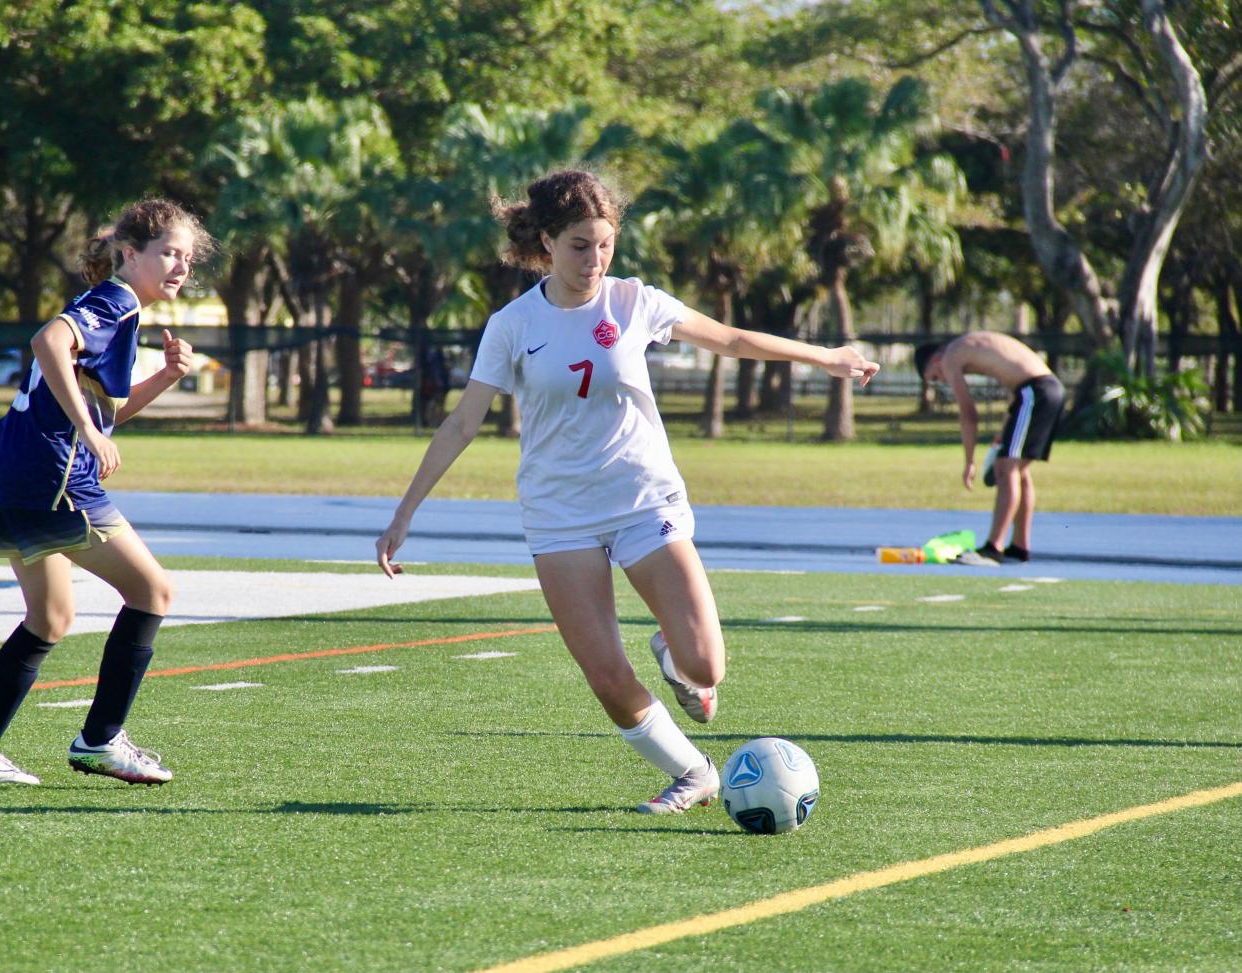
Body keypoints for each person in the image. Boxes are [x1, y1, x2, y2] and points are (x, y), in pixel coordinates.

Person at [374, 170, 878, 814]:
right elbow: (462, 421)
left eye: (605, 244)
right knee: (607, 676)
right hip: (559, 515)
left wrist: (825, 357)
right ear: (548, 243)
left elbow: (730, 339)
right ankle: (693, 774)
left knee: (706, 670)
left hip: (644, 500)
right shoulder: (511, 324)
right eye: (580, 245)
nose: (595, 259)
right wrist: (404, 512)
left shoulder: (635, 302)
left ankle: (673, 653)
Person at [0, 198, 212, 786]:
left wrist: (163, 378)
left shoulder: (118, 309)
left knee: (51, 616)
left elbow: (102, 409)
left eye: (187, 258)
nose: (180, 267)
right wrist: (86, 431)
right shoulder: (114, 300)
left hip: (4, 471)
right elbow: (47, 342)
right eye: (169, 253)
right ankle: (101, 740)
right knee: (153, 590)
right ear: (129, 253)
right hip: (48, 476)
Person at [914, 331, 1065, 566]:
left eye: (934, 377)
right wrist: (1005, 428)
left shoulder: (949, 356)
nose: (941, 381)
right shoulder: (969, 346)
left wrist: (969, 462)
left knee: (1006, 470)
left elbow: (968, 414)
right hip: (1044, 390)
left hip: (1035, 392)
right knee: (1018, 471)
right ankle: (1018, 547)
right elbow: (1013, 373)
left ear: (935, 360)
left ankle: (993, 548)